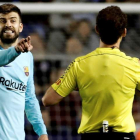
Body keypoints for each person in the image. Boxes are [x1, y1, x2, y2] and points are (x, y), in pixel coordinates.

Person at [42, 5, 139, 140]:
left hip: (92, 136)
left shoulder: (79, 65)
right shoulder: (134, 65)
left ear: (97, 30)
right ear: (124, 32)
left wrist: (77, 85)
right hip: (123, 136)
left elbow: (48, 99)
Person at [0, 3, 48, 140]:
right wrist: (16, 51)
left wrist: (42, 131)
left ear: (20, 27)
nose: (8, 24)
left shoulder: (27, 56)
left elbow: (29, 98)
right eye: (2, 21)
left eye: (12, 20)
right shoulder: (16, 52)